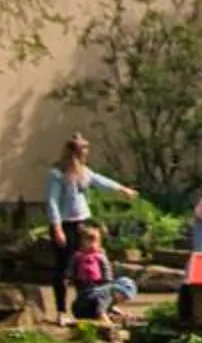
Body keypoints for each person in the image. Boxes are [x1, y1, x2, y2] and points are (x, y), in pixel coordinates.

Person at [45, 136, 135, 324]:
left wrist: (121, 189)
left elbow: (100, 181)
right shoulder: (57, 173)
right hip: (65, 224)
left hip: (82, 222)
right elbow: (52, 201)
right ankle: (61, 310)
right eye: (82, 152)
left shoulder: (84, 172)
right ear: (73, 153)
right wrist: (57, 227)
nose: (86, 155)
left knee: (91, 265)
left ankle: (97, 302)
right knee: (64, 267)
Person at [67, 222, 140, 325]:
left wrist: (120, 313)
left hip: (96, 283)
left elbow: (106, 268)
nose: (123, 300)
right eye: (124, 297)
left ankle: (111, 316)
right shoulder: (107, 294)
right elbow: (100, 310)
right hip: (81, 306)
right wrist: (110, 325)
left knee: (100, 300)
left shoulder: (100, 256)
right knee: (100, 304)